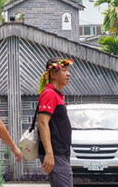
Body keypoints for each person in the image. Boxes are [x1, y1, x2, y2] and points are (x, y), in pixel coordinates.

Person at [37, 57, 73, 187]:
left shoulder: (56, 94)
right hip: (56, 153)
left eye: (68, 70)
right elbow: (42, 123)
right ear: (53, 74)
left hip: (60, 153)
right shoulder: (49, 94)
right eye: (64, 70)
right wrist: (49, 154)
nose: (68, 74)